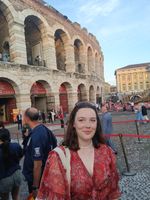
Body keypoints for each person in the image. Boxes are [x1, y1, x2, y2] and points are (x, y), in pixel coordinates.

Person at [37, 102, 120, 200]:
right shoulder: (58, 156)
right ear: (73, 124)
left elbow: (113, 191)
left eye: (92, 120)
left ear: (97, 124)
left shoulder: (106, 152)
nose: (88, 125)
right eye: (81, 120)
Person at [22, 107, 57, 199]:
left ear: (27, 118)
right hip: (46, 174)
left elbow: (38, 164)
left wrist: (35, 186)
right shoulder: (43, 129)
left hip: (39, 179)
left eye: (23, 116)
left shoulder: (37, 135)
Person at [0, 130, 23, 200]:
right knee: (16, 196)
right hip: (17, 174)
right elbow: (21, 155)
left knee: (5, 198)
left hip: (4, 179)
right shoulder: (15, 146)